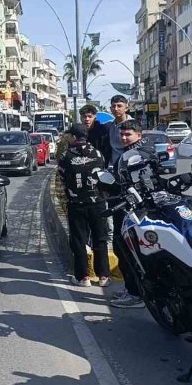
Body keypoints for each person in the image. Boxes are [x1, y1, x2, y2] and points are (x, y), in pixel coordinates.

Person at [109, 119, 156, 309]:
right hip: (129, 207)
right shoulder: (131, 152)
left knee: (129, 251)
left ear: (139, 135)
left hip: (135, 210)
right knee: (124, 250)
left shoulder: (138, 154)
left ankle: (136, 294)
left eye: (128, 134)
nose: (124, 138)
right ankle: (132, 289)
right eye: (122, 134)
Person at [59, 123, 112, 288]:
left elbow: (62, 178)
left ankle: (83, 277)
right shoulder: (97, 153)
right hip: (98, 203)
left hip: (77, 204)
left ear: (74, 137)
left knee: (79, 241)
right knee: (100, 238)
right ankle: (103, 276)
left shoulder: (66, 156)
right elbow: (103, 173)